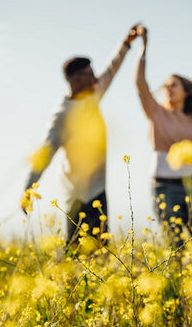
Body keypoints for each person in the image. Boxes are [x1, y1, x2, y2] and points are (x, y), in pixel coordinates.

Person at [22, 24, 140, 247]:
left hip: (98, 188)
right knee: (76, 252)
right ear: (75, 80)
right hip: (75, 194)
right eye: (89, 75)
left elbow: (111, 70)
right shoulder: (61, 115)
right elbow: (45, 153)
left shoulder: (92, 96)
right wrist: (28, 190)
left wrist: (126, 43)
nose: (96, 79)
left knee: (100, 250)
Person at [135, 26, 192, 249]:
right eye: (166, 85)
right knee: (176, 248)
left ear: (185, 90)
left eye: (174, 84)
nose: (168, 88)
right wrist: (143, 48)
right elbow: (140, 83)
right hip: (163, 188)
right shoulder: (156, 113)